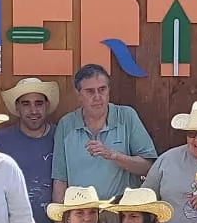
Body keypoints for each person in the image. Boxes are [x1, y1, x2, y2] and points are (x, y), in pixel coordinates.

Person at [52, 63, 156, 202]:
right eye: (90, 91)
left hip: (120, 213)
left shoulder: (126, 116)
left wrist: (114, 156)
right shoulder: (66, 124)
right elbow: (60, 179)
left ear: (109, 90)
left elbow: (148, 167)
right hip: (80, 213)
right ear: (78, 95)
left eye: (102, 89)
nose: (97, 96)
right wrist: (60, 220)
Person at [0, 77, 60, 223]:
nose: (33, 110)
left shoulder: (62, 136)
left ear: (47, 106)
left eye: (38, 103)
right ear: (17, 107)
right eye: (26, 104)